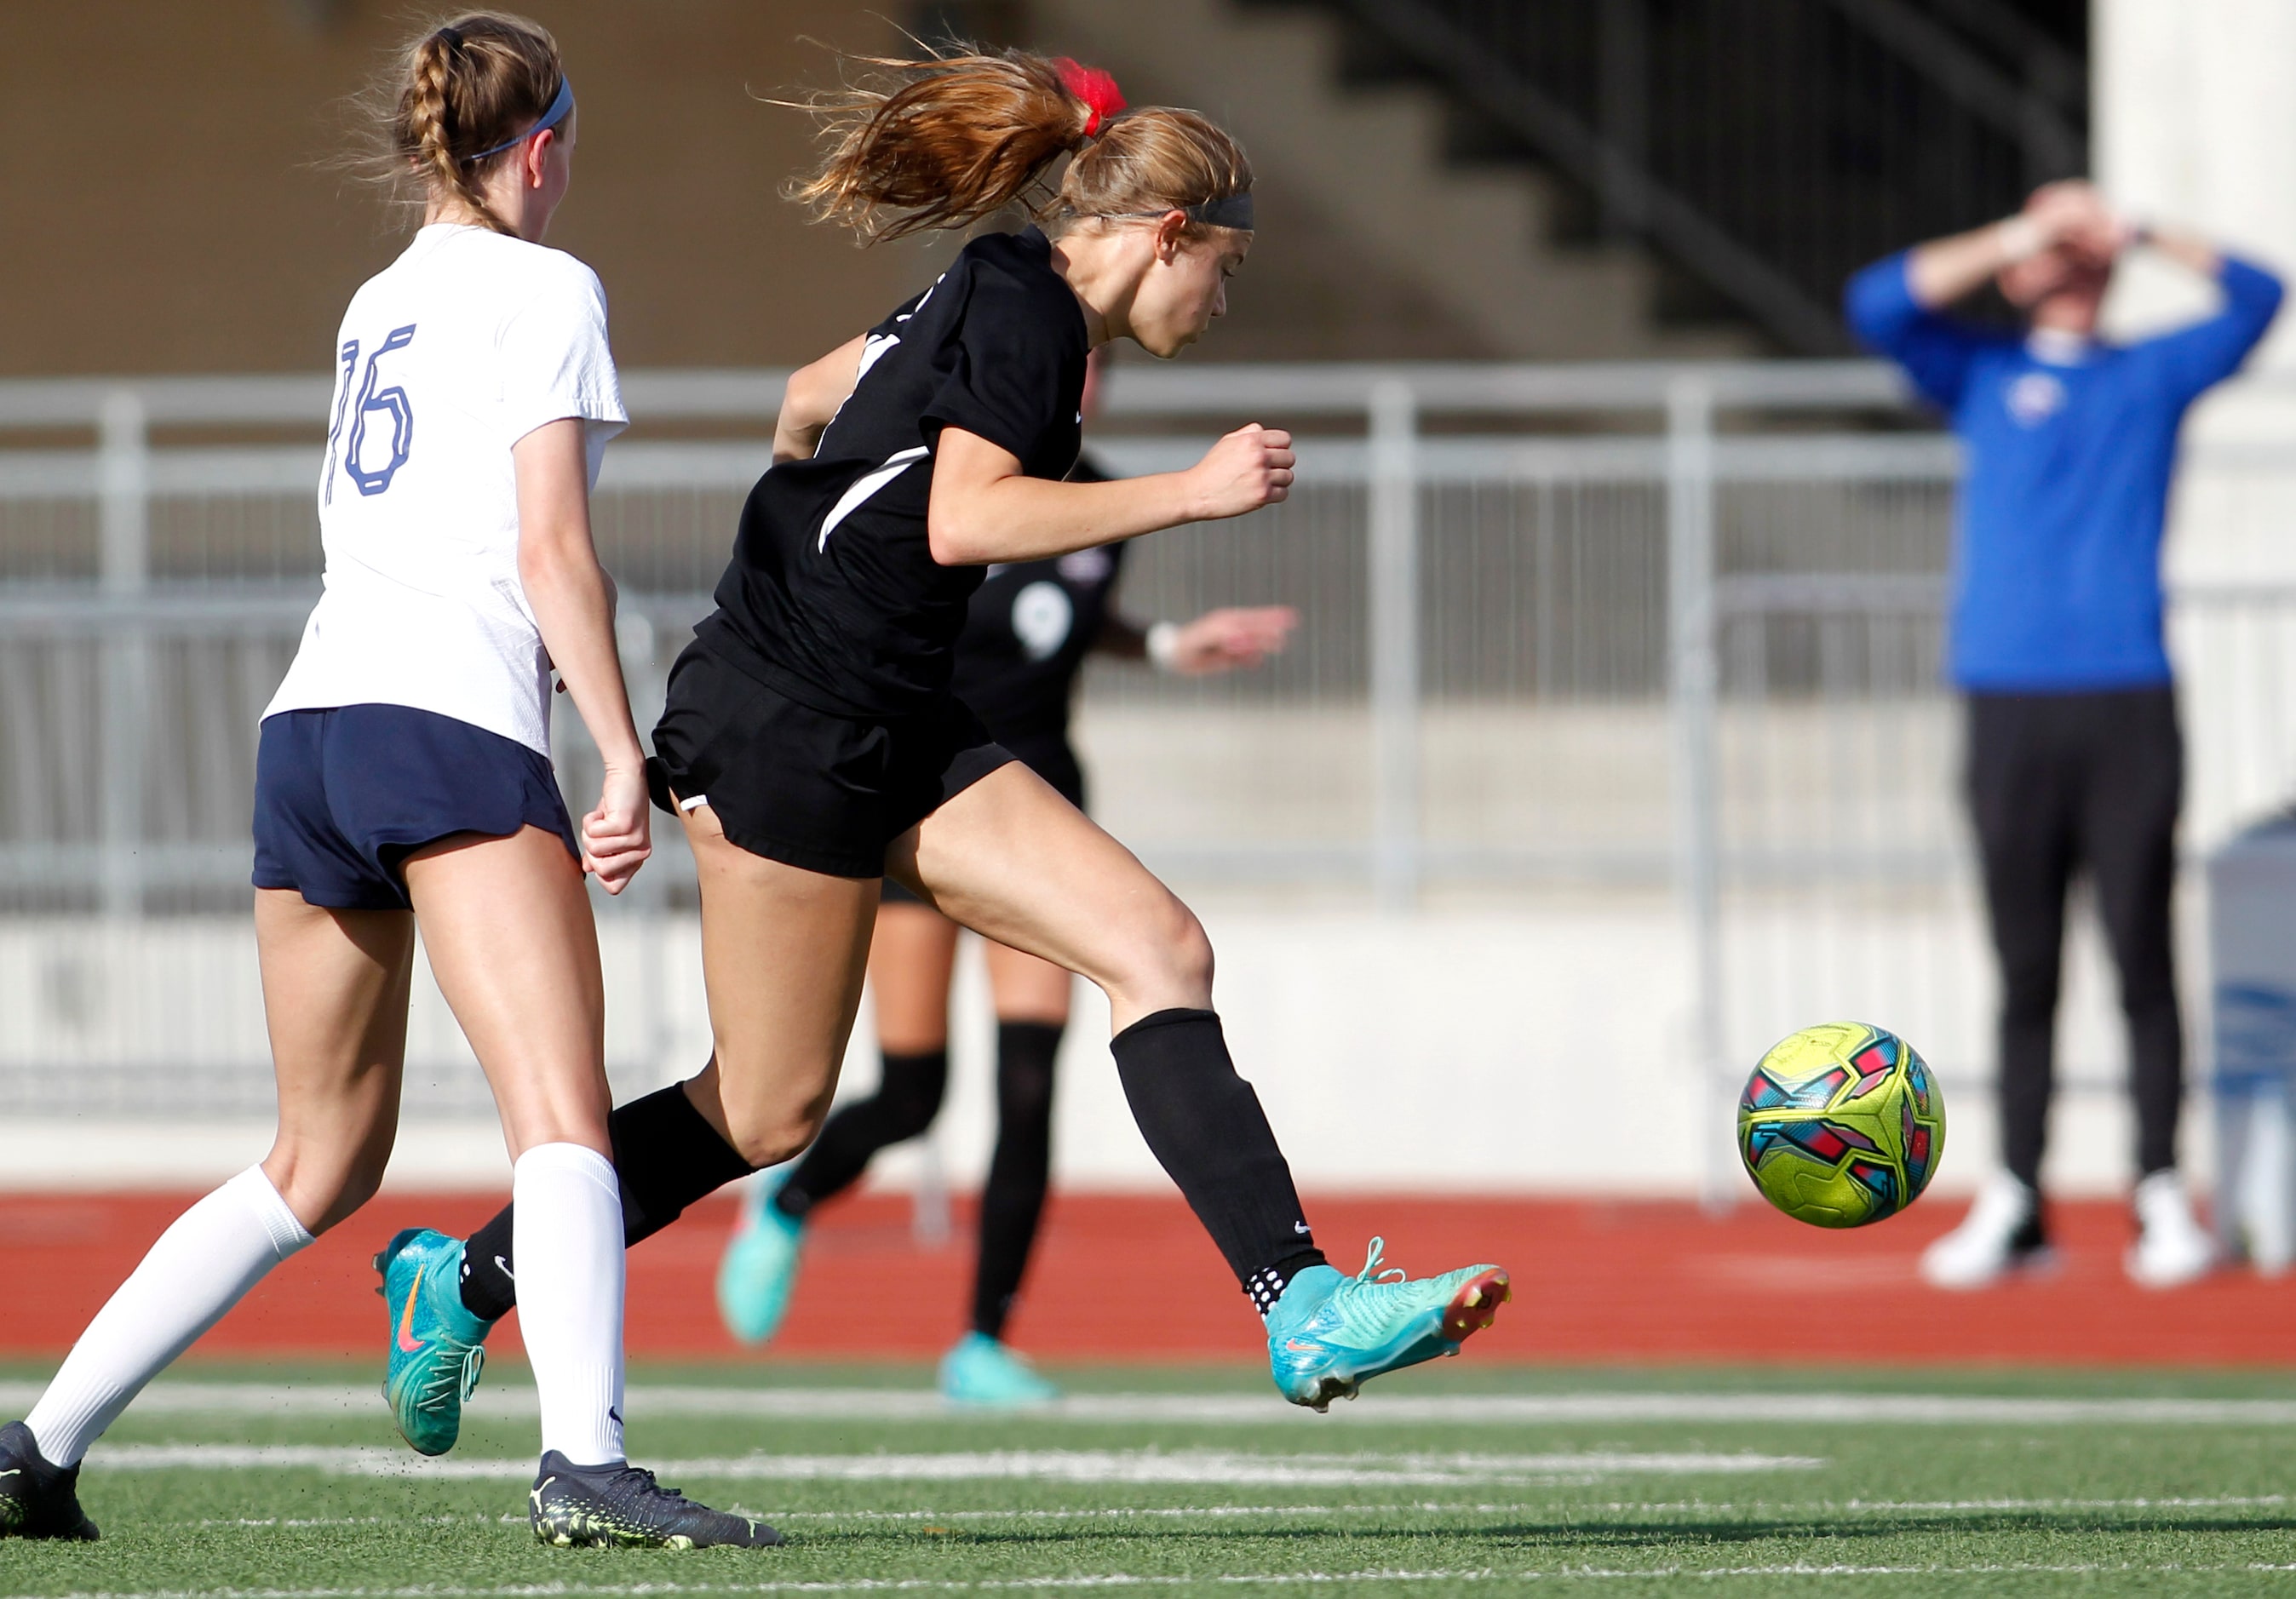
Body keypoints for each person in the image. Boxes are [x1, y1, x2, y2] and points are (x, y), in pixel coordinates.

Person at [378, 44, 1509, 1457]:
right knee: (768, 1106)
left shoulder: (988, 291)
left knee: (1158, 948)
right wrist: (1191, 493)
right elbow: (966, 519)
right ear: (1165, 236)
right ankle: (459, 1275)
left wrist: (822, 521)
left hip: (888, 709)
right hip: (788, 726)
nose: (1219, 300)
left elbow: (805, 397)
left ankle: (1301, 1302)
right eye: (1219, 266)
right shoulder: (1032, 315)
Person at [0, 14, 775, 1550]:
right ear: (539, 148)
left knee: (318, 1156)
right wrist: (620, 752)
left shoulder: (374, 299)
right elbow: (549, 548)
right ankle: (583, 1458)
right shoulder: (549, 286)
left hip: (313, 728)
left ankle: (41, 1440)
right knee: (559, 1116)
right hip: (446, 724)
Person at [715, 351, 1302, 1403]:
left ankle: (981, 1341)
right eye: (1061, 366)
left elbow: (1066, 628)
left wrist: (1170, 645)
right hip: (926, 797)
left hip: (1044, 807)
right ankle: (790, 1205)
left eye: (1090, 372)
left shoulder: (1100, 492)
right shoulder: (948, 483)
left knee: (1027, 1089)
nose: (1075, 389)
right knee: (913, 1089)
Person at [1845, 180, 2283, 1291]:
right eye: (2054, 246)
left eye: (2085, 245)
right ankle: (2019, 1197)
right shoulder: (1982, 372)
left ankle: (2154, 1195)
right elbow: (1877, 303)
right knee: (2023, 961)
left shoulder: (2147, 375)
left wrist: (2136, 226)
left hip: (2127, 695)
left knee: (2140, 950)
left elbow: (2260, 294)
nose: (2070, 260)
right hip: (2007, 698)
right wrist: (2019, 232)